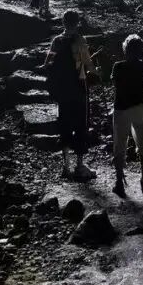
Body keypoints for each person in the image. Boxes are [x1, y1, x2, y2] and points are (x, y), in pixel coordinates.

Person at [45, 9, 97, 180]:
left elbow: (48, 63)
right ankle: (80, 165)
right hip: (79, 89)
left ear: (63, 23)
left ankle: (66, 165)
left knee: (65, 124)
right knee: (81, 125)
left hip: (63, 92)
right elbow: (88, 65)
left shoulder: (56, 41)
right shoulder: (80, 41)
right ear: (77, 23)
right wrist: (96, 71)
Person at [111, 33, 143, 197]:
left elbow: (115, 84)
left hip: (121, 108)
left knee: (119, 144)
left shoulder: (118, 66)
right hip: (140, 106)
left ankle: (119, 182)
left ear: (125, 50)